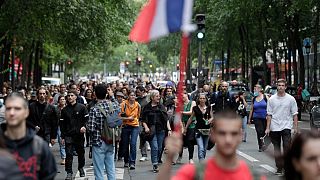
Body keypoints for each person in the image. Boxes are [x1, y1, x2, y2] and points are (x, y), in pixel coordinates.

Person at [158, 111, 253, 180]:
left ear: (241, 136)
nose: (228, 140)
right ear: (213, 134)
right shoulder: (192, 173)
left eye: (233, 133)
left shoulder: (253, 176)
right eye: (222, 133)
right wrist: (169, 159)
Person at [0, 92, 57, 179]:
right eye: (8, 108)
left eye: (17, 108)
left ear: (26, 112)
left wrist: (53, 136)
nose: (12, 113)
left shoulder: (40, 147)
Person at [265, 79, 299, 175]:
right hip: (274, 126)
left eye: (282, 85)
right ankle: (279, 167)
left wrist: (295, 128)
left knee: (286, 147)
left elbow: (295, 114)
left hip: (286, 126)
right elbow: (269, 114)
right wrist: (268, 128)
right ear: (277, 86)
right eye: (279, 85)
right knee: (277, 148)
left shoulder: (291, 99)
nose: (280, 87)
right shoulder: (272, 99)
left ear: (285, 87)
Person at [87, 84, 119, 180]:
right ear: (106, 94)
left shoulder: (94, 109)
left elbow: (91, 128)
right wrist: (112, 96)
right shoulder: (113, 105)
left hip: (98, 141)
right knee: (111, 168)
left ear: (95, 95)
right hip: (111, 139)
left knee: (99, 170)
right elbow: (118, 106)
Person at [141, 90, 172, 173]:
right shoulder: (147, 107)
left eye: (159, 96)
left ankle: (157, 160)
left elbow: (166, 120)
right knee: (154, 147)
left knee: (159, 147)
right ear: (152, 97)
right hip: (151, 130)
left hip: (161, 130)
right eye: (157, 96)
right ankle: (155, 164)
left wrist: (169, 129)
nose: (159, 97)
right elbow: (143, 119)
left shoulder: (161, 107)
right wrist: (146, 127)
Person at [60, 90, 88, 179]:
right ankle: (69, 172)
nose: (70, 97)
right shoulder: (64, 110)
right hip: (69, 135)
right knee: (69, 154)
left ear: (76, 96)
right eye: (68, 95)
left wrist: (84, 127)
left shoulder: (82, 107)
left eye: (72, 95)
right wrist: (63, 136)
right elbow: (62, 124)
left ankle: (81, 168)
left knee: (81, 153)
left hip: (79, 135)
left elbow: (87, 120)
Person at [187, 93, 213, 161]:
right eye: (200, 98)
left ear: (206, 99)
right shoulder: (195, 108)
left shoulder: (209, 107)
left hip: (207, 131)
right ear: (198, 99)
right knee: (200, 147)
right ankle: (201, 162)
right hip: (198, 131)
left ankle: (202, 160)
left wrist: (209, 121)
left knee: (204, 148)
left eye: (203, 98)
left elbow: (212, 117)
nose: (202, 100)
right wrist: (186, 128)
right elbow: (191, 118)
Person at [120, 89, 141, 169]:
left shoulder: (138, 105)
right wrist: (128, 118)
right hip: (125, 126)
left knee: (133, 144)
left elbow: (138, 115)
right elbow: (120, 116)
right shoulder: (123, 104)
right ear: (128, 96)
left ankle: (132, 162)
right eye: (131, 95)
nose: (133, 97)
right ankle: (126, 160)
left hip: (135, 126)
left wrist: (134, 120)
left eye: (134, 95)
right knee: (125, 144)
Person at [248, 84, 268, 152]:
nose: (254, 91)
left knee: (265, 132)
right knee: (259, 131)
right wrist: (249, 119)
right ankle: (260, 146)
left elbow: (269, 107)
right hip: (256, 117)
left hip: (265, 117)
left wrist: (269, 116)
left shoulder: (265, 97)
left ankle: (265, 143)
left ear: (259, 89)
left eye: (255, 89)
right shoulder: (254, 99)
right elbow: (251, 109)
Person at [179, 92, 196, 164]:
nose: (182, 97)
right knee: (180, 141)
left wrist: (182, 112)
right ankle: (179, 156)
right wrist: (182, 127)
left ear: (187, 95)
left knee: (190, 141)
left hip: (191, 124)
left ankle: (190, 158)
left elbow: (191, 112)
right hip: (183, 123)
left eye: (184, 96)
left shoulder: (192, 102)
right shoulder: (180, 105)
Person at [56, 95, 67, 165]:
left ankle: (68, 157)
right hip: (59, 126)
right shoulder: (56, 109)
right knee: (61, 142)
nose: (62, 100)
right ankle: (64, 158)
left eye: (63, 99)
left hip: (67, 127)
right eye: (61, 99)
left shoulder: (68, 108)